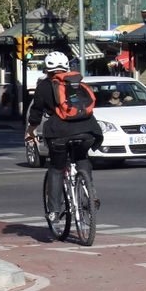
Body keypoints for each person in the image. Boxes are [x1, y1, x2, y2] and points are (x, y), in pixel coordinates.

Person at [26, 51, 103, 221]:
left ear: (47, 68)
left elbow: (36, 111)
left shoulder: (44, 86)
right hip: (88, 130)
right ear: (67, 66)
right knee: (82, 158)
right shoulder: (77, 82)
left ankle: (54, 211)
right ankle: (90, 194)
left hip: (59, 133)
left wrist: (31, 130)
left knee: (56, 167)